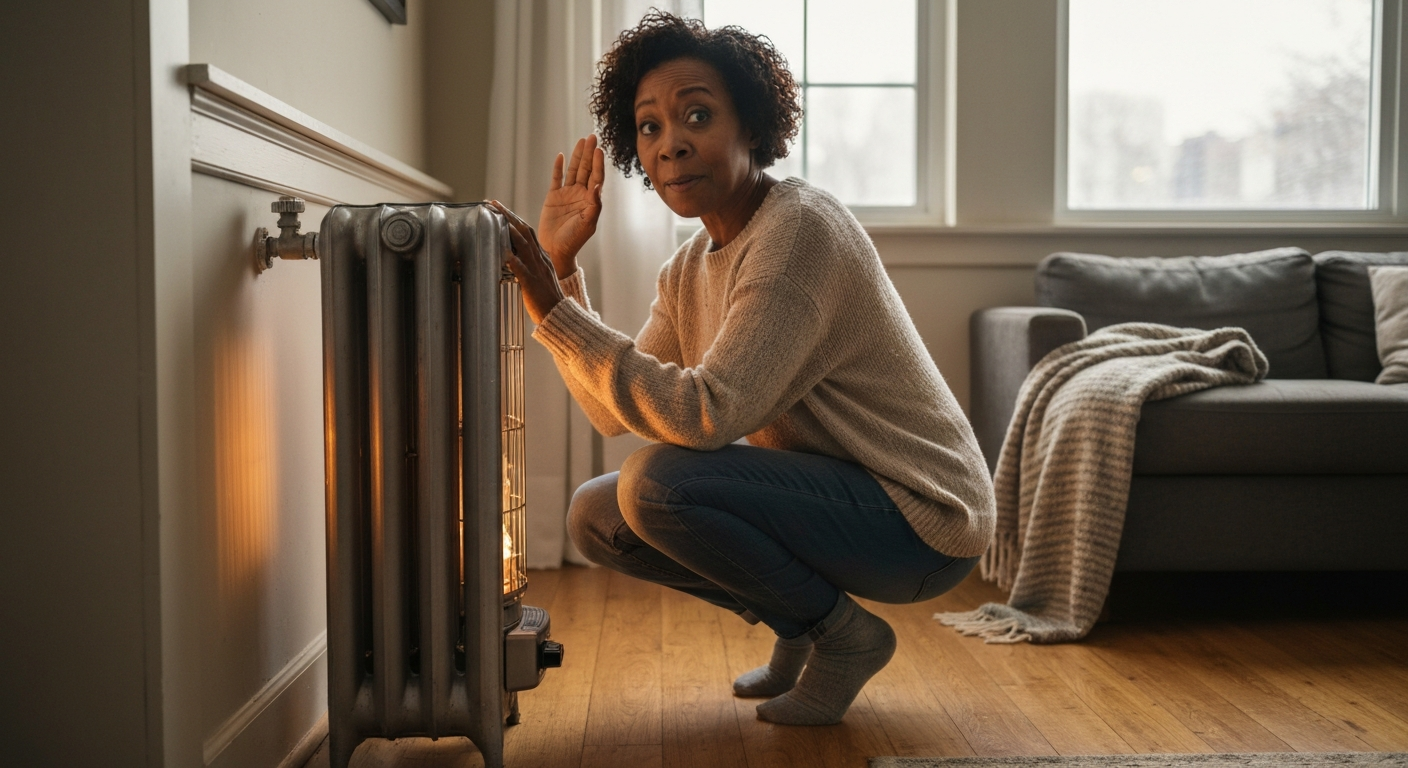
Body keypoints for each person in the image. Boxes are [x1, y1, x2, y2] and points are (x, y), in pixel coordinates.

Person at [489, 11, 995, 726]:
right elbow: (609, 409)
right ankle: (801, 622)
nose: (671, 145)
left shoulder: (798, 231)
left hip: (922, 520)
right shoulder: (689, 267)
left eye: (697, 114)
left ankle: (844, 637)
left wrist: (544, 294)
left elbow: (707, 415)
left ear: (753, 127)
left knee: (657, 483)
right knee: (598, 516)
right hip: (840, 503)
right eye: (650, 127)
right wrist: (560, 271)